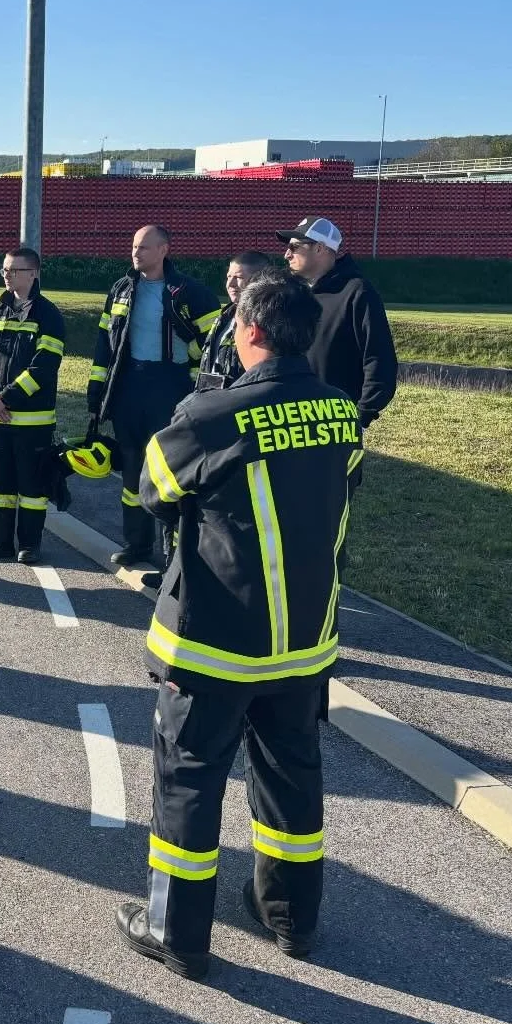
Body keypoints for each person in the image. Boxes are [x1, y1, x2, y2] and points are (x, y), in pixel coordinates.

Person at [114, 270, 362, 981]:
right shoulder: (341, 413)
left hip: (215, 643)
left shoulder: (209, 415)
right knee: (291, 779)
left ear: (249, 331)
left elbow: (154, 491)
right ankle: (290, 918)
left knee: (189, 784)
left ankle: (176, 933)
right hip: (304, 642)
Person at [87, 226, 220, 568]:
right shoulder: (121, 290)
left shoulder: (190, 293)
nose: (136, 252)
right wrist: (97, 388)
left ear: (164, 250)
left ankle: (173, 555)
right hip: (129, 384)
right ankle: (136, 544)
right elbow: (105, 343)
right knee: (131, 466)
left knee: (168, 468)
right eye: (134, 246)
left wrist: (197, 387)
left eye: (144, 247)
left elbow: (215, 346)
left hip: (171, 386)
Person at [0, 246, 66, 564]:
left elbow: (44, 367)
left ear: (33, 273)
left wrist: (5, 398)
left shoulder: (48, 315)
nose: (6, 275)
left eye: (14, 270)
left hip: (32, 422)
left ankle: (30, 545)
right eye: (4, 269)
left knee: (32, 488)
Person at [276, 217, 397, 429]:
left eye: (294, 247)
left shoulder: (357, 292)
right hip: (290, 419)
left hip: (336, 422)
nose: (287, 254)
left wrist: (362, 414)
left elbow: (379, 359)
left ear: (319, 248)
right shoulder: (291, 291)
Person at [196, 250, 271, 391]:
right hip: (213, 397)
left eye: (238, 277)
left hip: (243, 399)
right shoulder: (225, 316)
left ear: (260, 280)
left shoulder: (267, 321)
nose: (230, 283)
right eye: (228, 276)